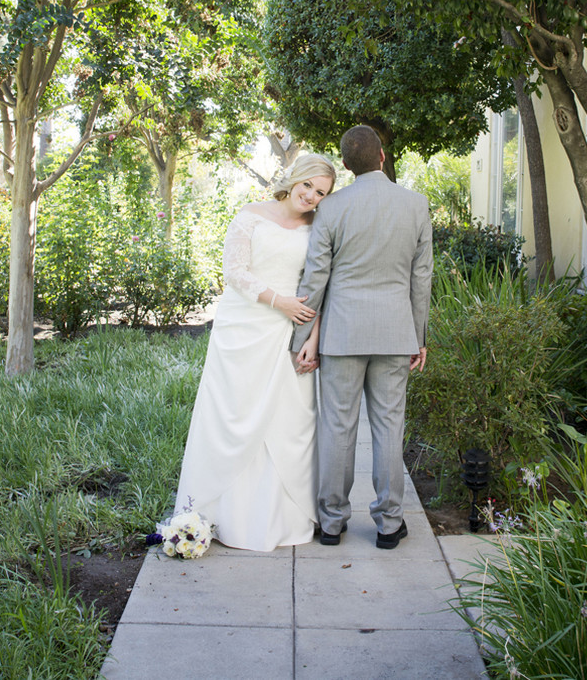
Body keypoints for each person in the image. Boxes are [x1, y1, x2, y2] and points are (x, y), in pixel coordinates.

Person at [173, 154, 336, 552]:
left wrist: (311, 336)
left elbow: (321, 286)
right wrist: (278, 300)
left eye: (321, 193)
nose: (311, 196)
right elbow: (235, 271)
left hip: (290, 331)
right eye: (308, 186)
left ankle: (284, 518)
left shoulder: (319, 228)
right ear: (294, 179)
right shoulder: (251, 213)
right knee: (232, 415)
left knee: (289, 421)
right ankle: (219, 515)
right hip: (244, 326)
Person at [291, 125, 433, 549]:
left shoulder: (332, 208)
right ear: (383, 157)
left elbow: (316, 276)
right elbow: (421, 277)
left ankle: (332, 522)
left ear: (347, 166)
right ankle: (390, 524)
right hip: (395, 333)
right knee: (390, 427)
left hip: (342, 334)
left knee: (338, 426)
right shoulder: (416, 205)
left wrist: (301, 337)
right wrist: (419, 336)